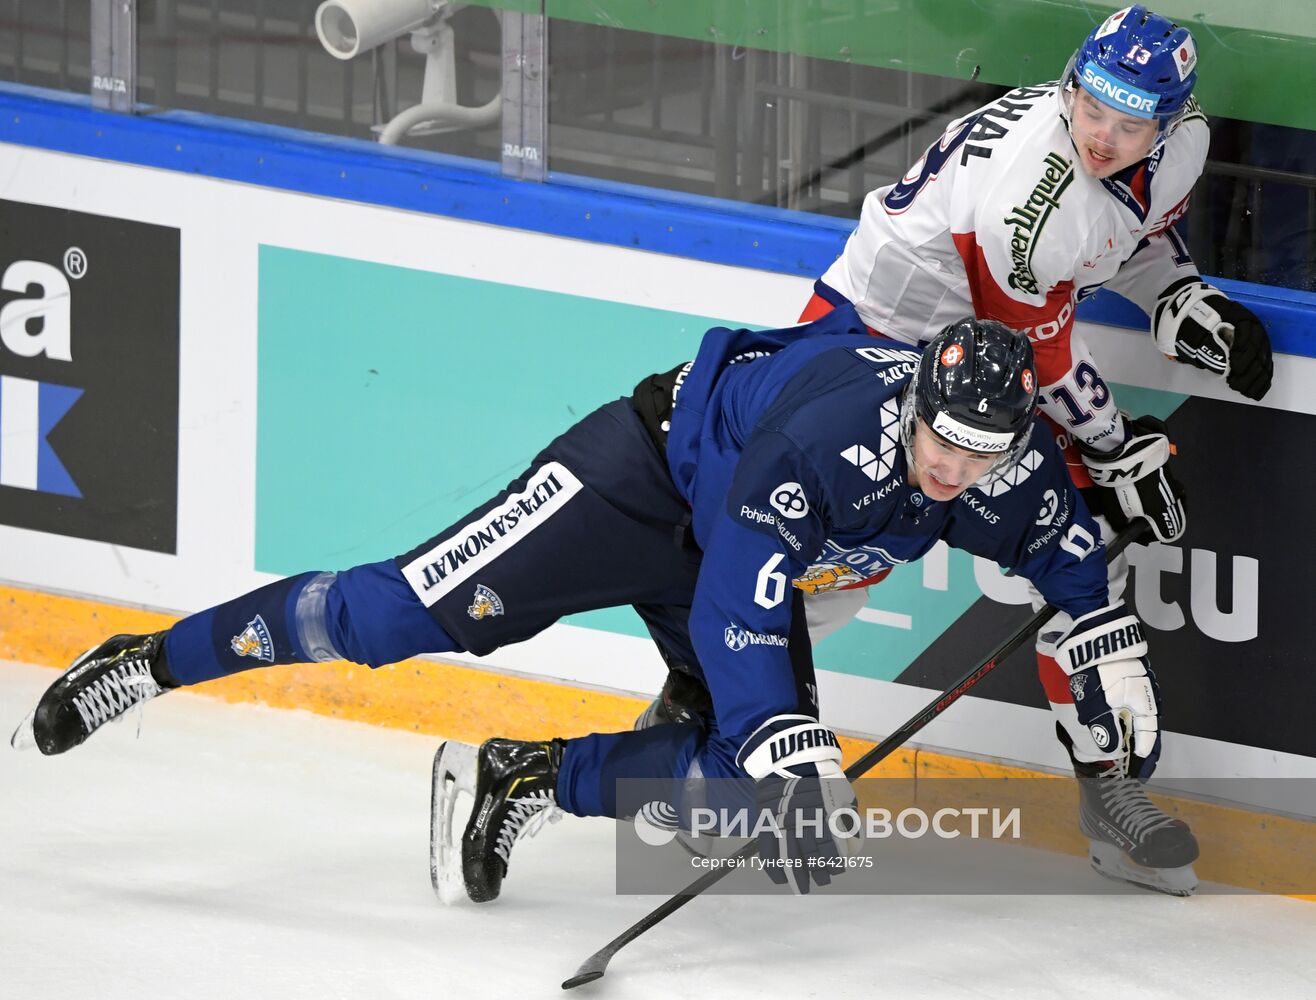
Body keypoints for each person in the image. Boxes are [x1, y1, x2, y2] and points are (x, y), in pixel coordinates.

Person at [12, 309, 1198, 899]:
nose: (951, 471)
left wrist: (1095, 635)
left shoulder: (1001, 462)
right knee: (385, 621)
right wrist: (789, 740)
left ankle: (527, 773)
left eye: (978, 458)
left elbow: (1059, 551)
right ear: (916, 405)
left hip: (737, 554)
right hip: (634, 484)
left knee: (769, 801)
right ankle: (148, 659)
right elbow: (741, 596)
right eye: (940, 443)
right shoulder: (829, 432)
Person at [786, 4, 1273, 778]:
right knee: (827, 562)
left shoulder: (1182, 146)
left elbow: (1131, 232)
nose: (1103, 136)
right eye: (1092, 107)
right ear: (1071, 85)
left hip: (985, 348)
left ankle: (1108, 786)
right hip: (875, 336)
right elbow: (1037, 359)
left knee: (1081, 549)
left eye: (1131, 124)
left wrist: (1177, 292)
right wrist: (1115, 445)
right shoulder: (1030, 203)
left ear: (1172, 125)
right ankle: (698, 728)